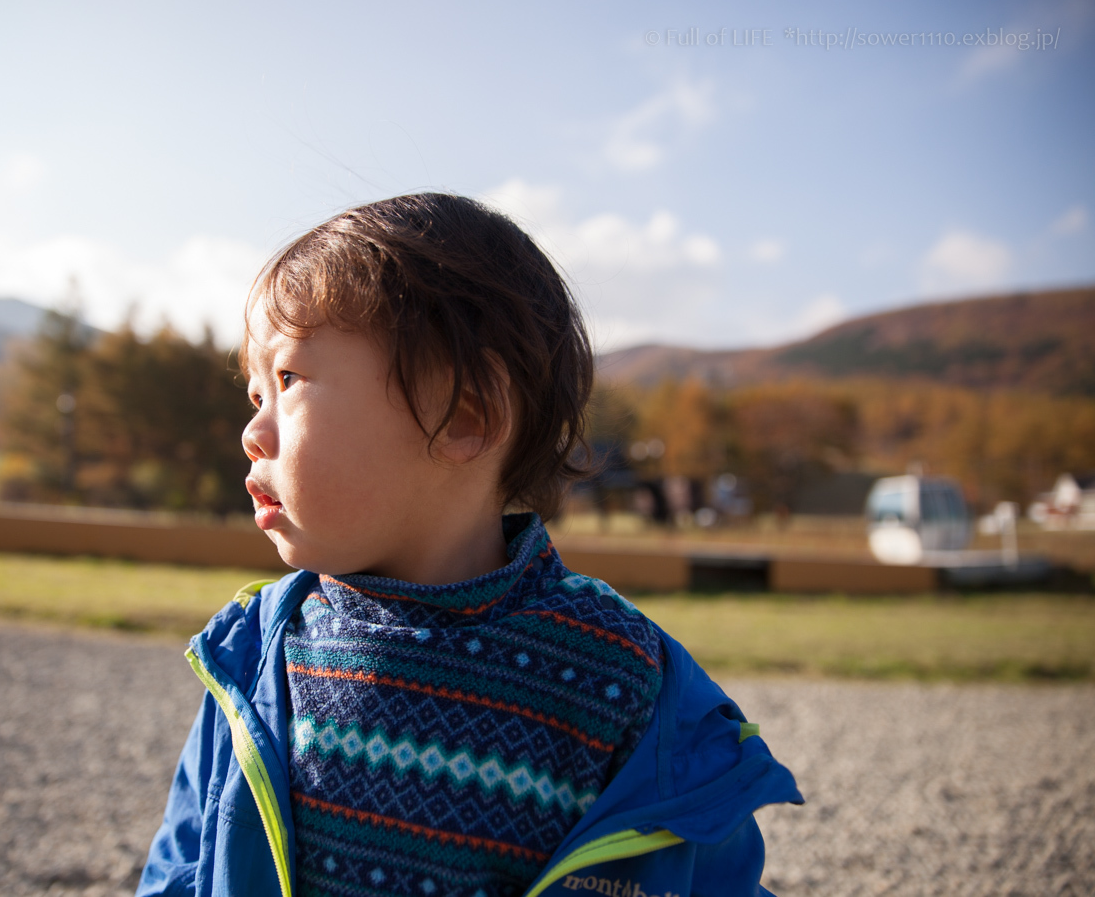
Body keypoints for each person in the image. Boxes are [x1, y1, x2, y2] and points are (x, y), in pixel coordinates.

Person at [136, 193, 801, 897]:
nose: (252, 430)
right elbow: (183, 868)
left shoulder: (617, 677)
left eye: (289, 379)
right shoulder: (255, 655)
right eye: (254, 396)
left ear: (464, 416)